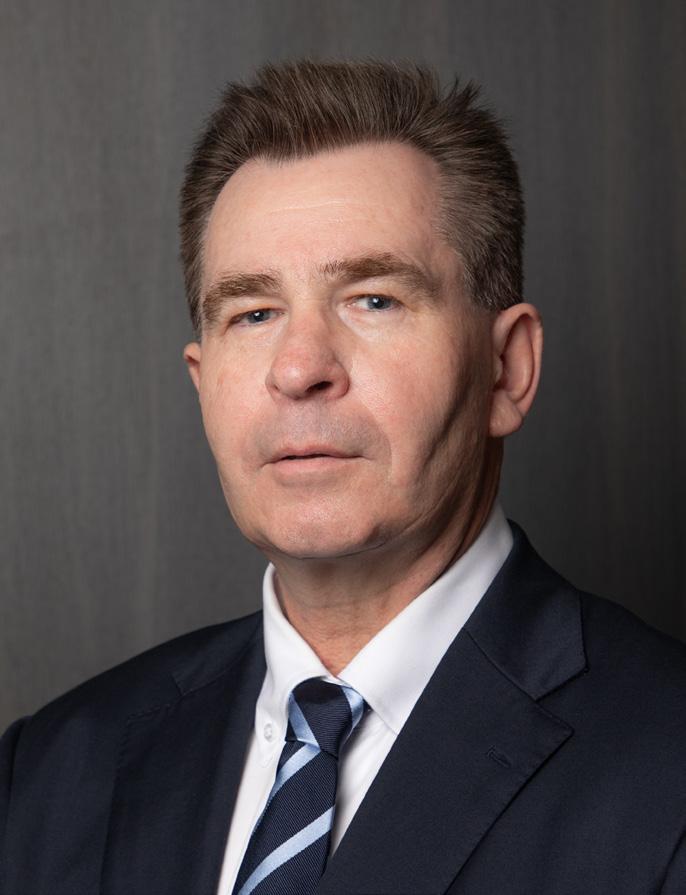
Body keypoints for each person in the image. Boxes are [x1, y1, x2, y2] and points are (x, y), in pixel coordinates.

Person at [1, 59, 684, 895]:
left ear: (507, 369)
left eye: (374, 299)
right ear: (203, 384)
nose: (298, 368)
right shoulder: (46, 776)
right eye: (253, 312)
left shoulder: (667, 767)